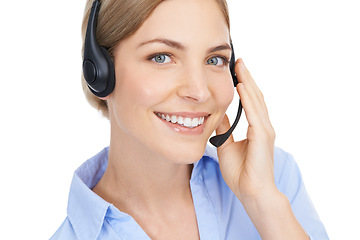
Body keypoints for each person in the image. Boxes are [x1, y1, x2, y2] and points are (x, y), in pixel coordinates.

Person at [51, 0, 328, 239]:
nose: (199, 91)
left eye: (214, 59)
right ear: (99, 72)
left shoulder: (274, 178)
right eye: (161, 57)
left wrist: (263, 201)